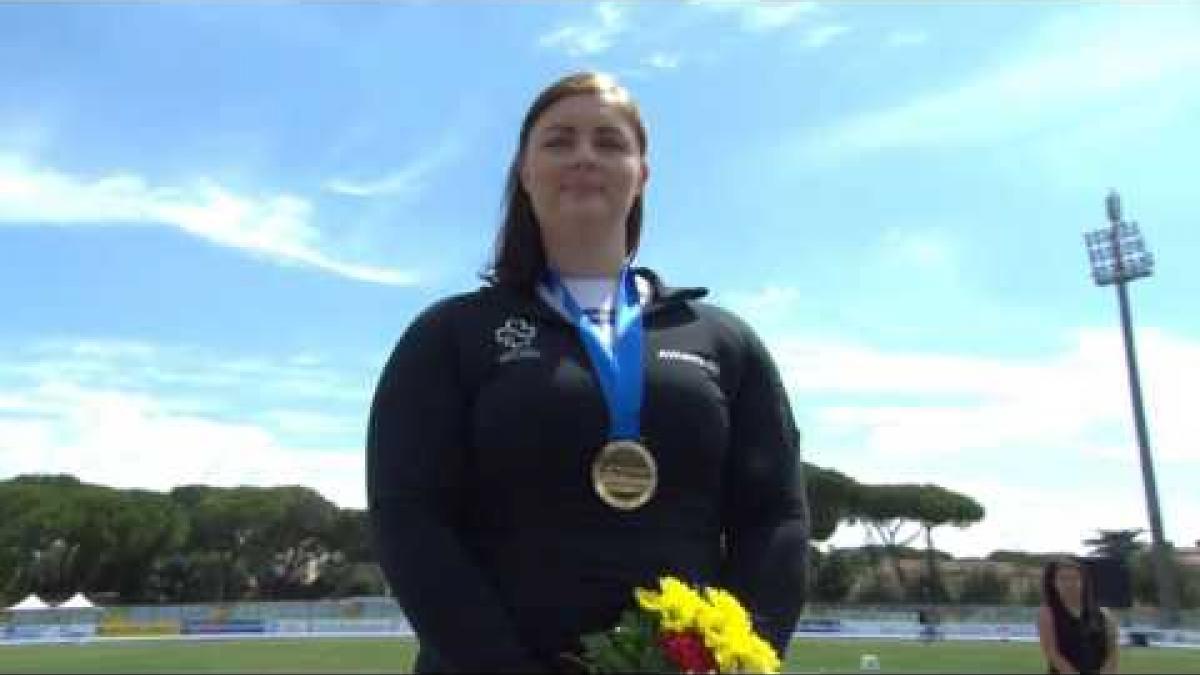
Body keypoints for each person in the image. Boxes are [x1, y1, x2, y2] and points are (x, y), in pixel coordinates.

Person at [366, 71, 809, 673]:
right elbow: (409, 517)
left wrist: (739, 662)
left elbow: (775, 519)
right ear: (525, 172)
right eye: (559, 141)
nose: (584, 156)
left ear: (641, 174)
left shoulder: (724, 341)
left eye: (608, 141)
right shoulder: (449, 335)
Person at [1037, 558, 1119, 674]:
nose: (1069, 584)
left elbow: (1112, 653)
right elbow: (1053, 653)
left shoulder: (1104, 614)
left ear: (1083, 581)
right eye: (1063, 579)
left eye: (1075, 578)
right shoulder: (1047, 613)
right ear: (1053, 583)